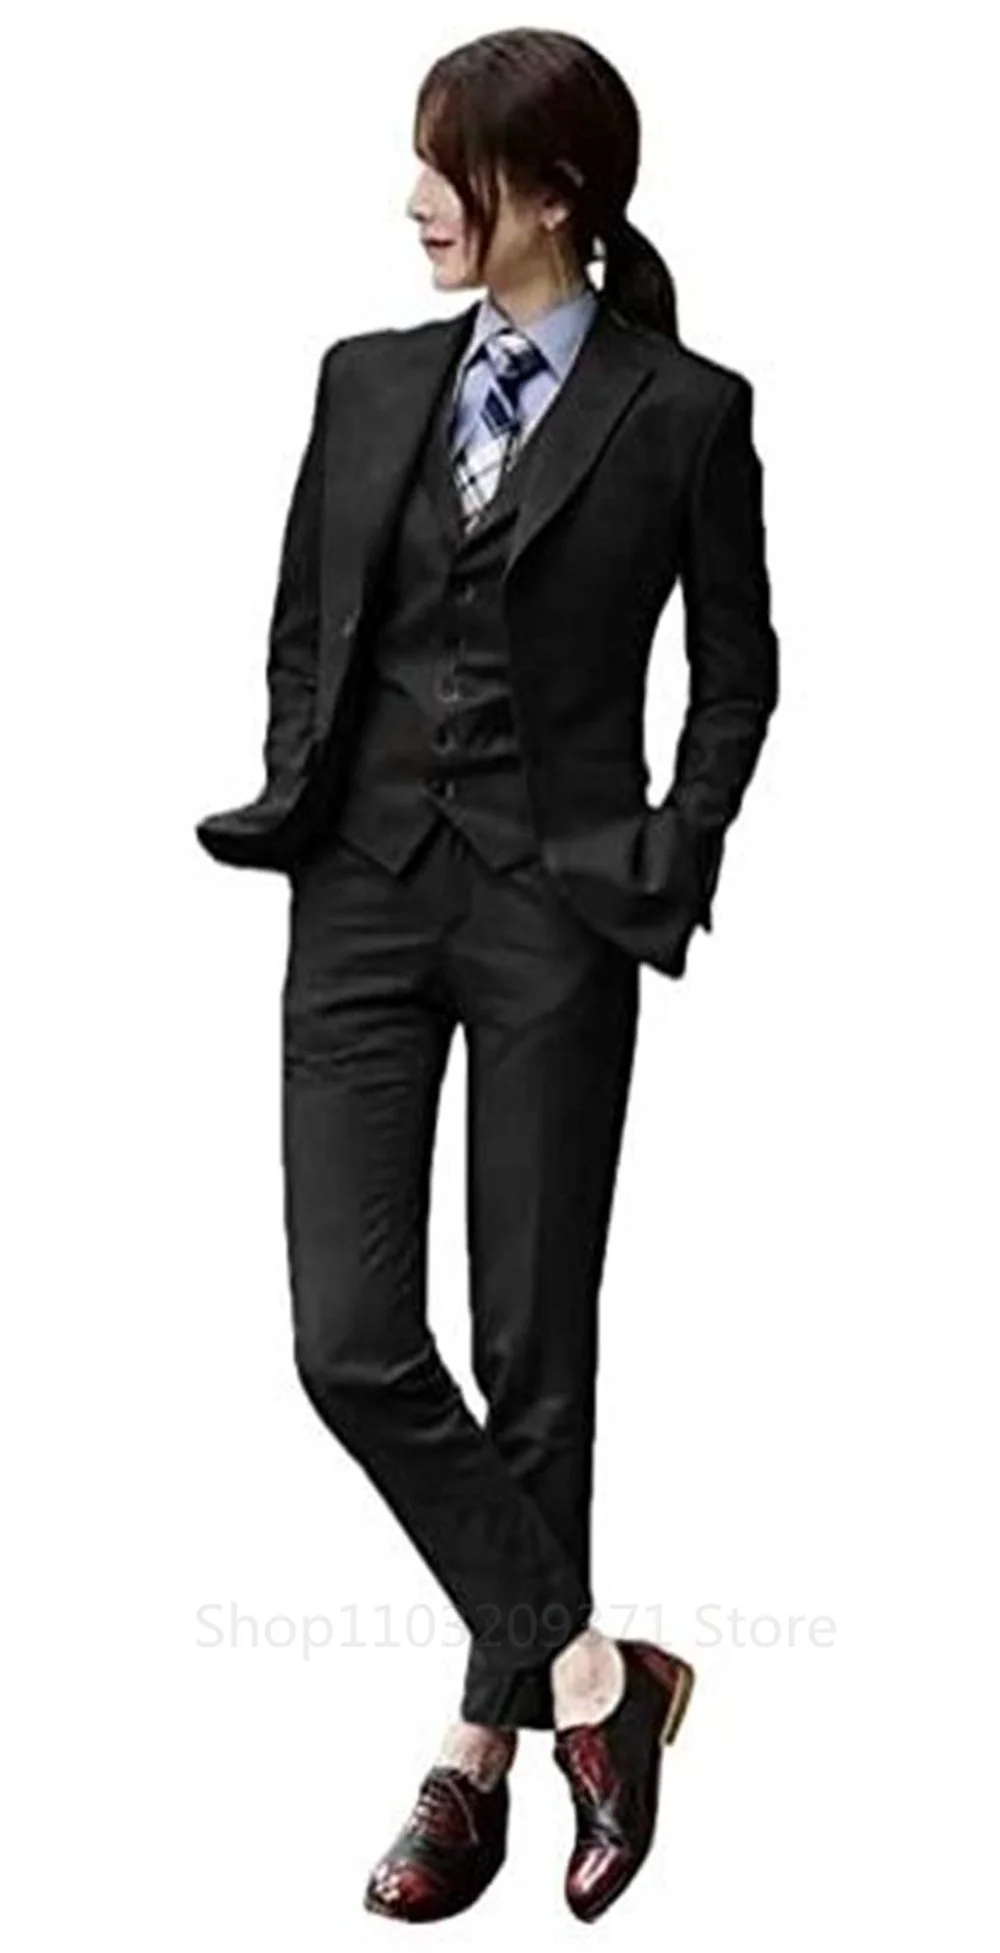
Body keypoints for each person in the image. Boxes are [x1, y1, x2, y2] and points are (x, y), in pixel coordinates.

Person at [195, 26, 779, 1925]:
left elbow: (740, 672)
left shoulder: (684, 410)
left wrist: (669, 851)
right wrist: (301, 782)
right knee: (350, 1342)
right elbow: (308, 620)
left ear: (555, 191)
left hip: (555, 913)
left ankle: (472, 1757)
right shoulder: (366, 379)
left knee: (535, 1349)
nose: (418, 201)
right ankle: (599, 1683)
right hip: (360, 899)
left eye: (450, 168)